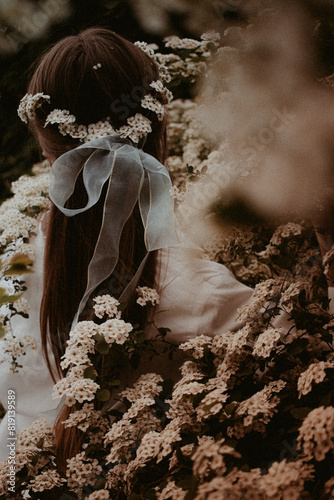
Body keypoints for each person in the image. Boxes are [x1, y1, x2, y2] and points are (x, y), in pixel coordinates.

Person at [0, 27, 333, 468]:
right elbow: (317, 364)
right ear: (159, 129)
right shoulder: (199, 294)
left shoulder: (12, 267)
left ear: (45, 145)